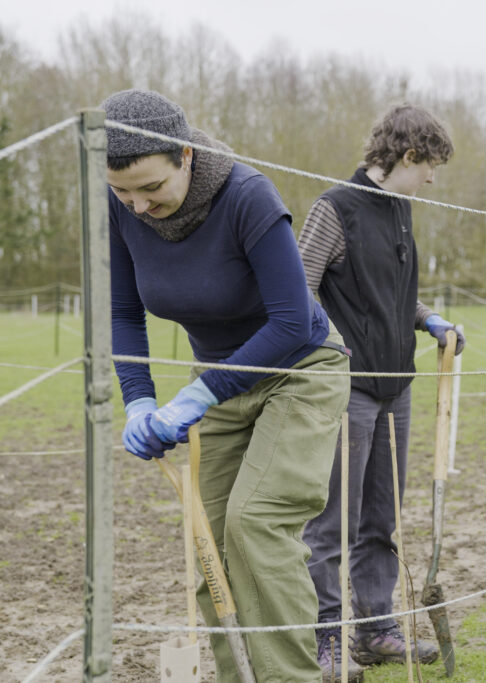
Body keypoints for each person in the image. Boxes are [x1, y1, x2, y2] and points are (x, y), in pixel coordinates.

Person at [104, 89, 352, 683]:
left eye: (151, 188)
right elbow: (121, 311)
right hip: (219, 381)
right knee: (207, 537)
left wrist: (195, 397)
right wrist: (138, 397)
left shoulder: (247, 196)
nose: (137, 205)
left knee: (257, 521)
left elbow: (292, 320)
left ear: (185, 156)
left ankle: (292, 677)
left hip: (300, 369)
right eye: (122, 191)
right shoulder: (119, 207)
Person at [298, 104, 464, 676]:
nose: (433, 179)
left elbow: (389, 294)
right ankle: (324, 640)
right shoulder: (334, 208)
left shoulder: (400, 211)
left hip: (399, 387)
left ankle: (375, 630)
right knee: (331, 522)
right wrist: (333, 340)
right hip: (349, 389)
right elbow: (300, 286)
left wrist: (429, 319)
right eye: (430, 166)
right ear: (408, 155)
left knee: (381, 519)